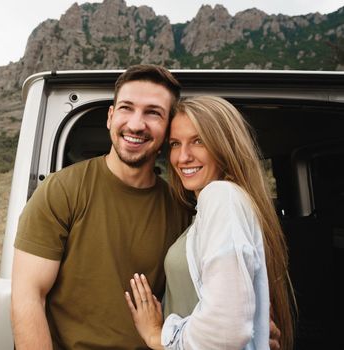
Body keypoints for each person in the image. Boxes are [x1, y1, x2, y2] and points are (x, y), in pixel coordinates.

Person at [11, 65, 281, 349]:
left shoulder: (183, 206)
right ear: (110, 117)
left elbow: (213, 289)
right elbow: (28, 295)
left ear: (166, 130)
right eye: (127, 108)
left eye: (153, 112)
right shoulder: (62, 189)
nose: (137, 124)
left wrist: (253, 323)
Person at [124, 96, 295, 350]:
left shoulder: (221, 196)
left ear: (223, 146)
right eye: (174, 144)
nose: (183, 157)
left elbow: (225, 332)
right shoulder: (213, 207)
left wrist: (157, 336)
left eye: (198, 141)